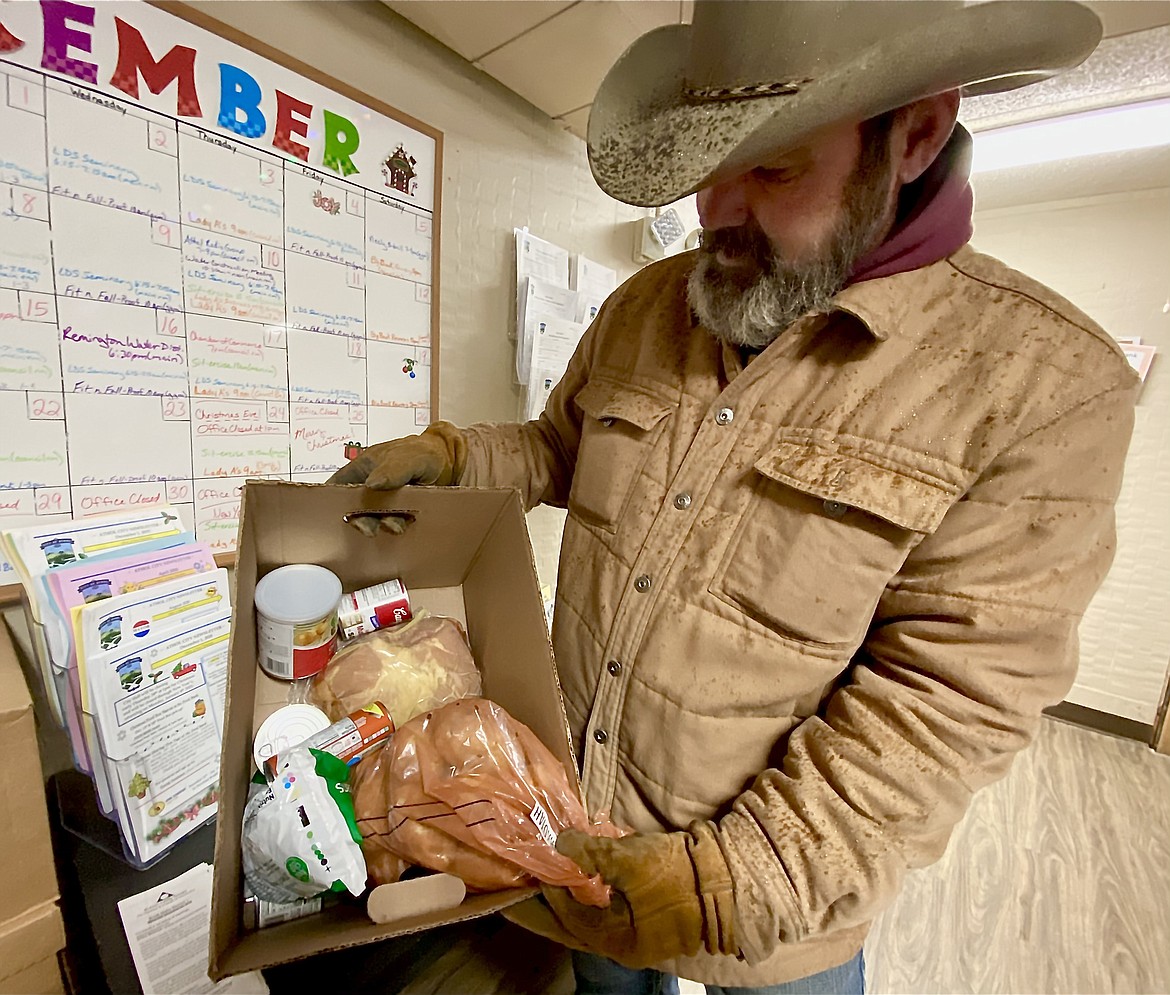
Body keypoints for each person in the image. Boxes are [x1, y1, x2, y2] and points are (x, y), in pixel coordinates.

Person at [331, 2, 1140, 992]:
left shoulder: (1040, 388)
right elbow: (558, 446)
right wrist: (454, 456)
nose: (715, 208)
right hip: (579, 830)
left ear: (917, 134)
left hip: (776, 904)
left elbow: (945, 703)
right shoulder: (644, 305)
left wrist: (727, 882)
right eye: (708, 163)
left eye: (775, 167)